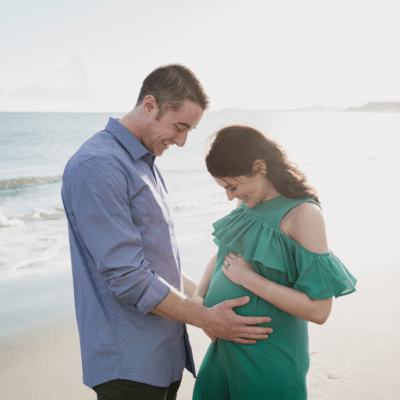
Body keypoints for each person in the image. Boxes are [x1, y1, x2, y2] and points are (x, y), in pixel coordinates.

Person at [61, 65, 273, 400]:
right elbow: (129, 276)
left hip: (161, 357)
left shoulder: (142, 162)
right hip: (129, 366)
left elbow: (157, 264)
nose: (182, 140)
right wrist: (206, 317)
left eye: (190, 129)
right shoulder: (99, 165)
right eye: (180, 126)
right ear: (149, 105)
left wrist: (200, 298)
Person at [192, 124, 357, 400]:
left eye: (232, 186)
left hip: (269, 362)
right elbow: (224, 255)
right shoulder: (246, 205)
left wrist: (249, 280)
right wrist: (199, 302)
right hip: (224, 353)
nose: (230, 196)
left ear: (259, 167)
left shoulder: (304, 215)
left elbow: (319, 310)